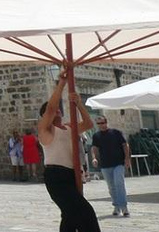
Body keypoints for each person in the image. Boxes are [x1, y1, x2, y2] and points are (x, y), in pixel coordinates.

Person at [38, 71, 100, 232]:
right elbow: (51, 108)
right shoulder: (45, 130)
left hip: (71, 174)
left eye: (59, 109)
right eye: (52, 110)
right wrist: (62, 83)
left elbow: (88, 124)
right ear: (44, 116)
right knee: (85, 212)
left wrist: (78, 103)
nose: (57, 110)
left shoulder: (68, 127)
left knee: (70, 216)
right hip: (56, 176)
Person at [91, 116, 131, 217]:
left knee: (119, 183)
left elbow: (125, 145)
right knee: (111, 186)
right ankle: (116, 206)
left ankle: (124, 207)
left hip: (118, 162)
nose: (101, 125)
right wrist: (94, 158)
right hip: (105, 164)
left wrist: (127, 158)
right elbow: (94, 148)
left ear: (106, 122)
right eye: (99, 124)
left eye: (103, 122)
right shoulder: (96, 136)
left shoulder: (116, 133)